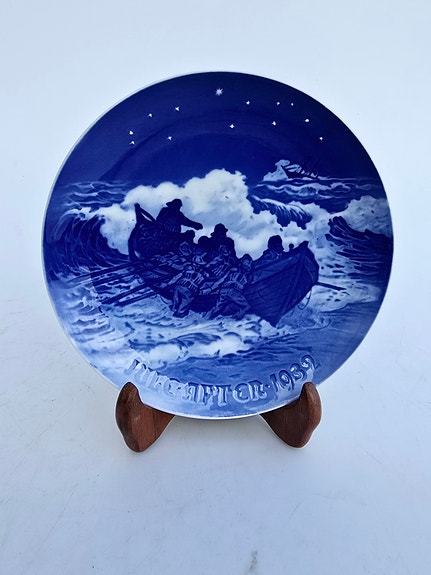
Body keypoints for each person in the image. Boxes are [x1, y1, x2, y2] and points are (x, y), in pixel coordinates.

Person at [207, 254, 253, 320]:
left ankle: (208, 318)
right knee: (246, 306)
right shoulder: (242, 273)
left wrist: (213, 288)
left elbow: (222, 279)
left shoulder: (237, 271)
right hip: (232, 291)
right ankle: (235, 319)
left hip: (226, 291)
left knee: (217, 308)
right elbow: (246, 286)